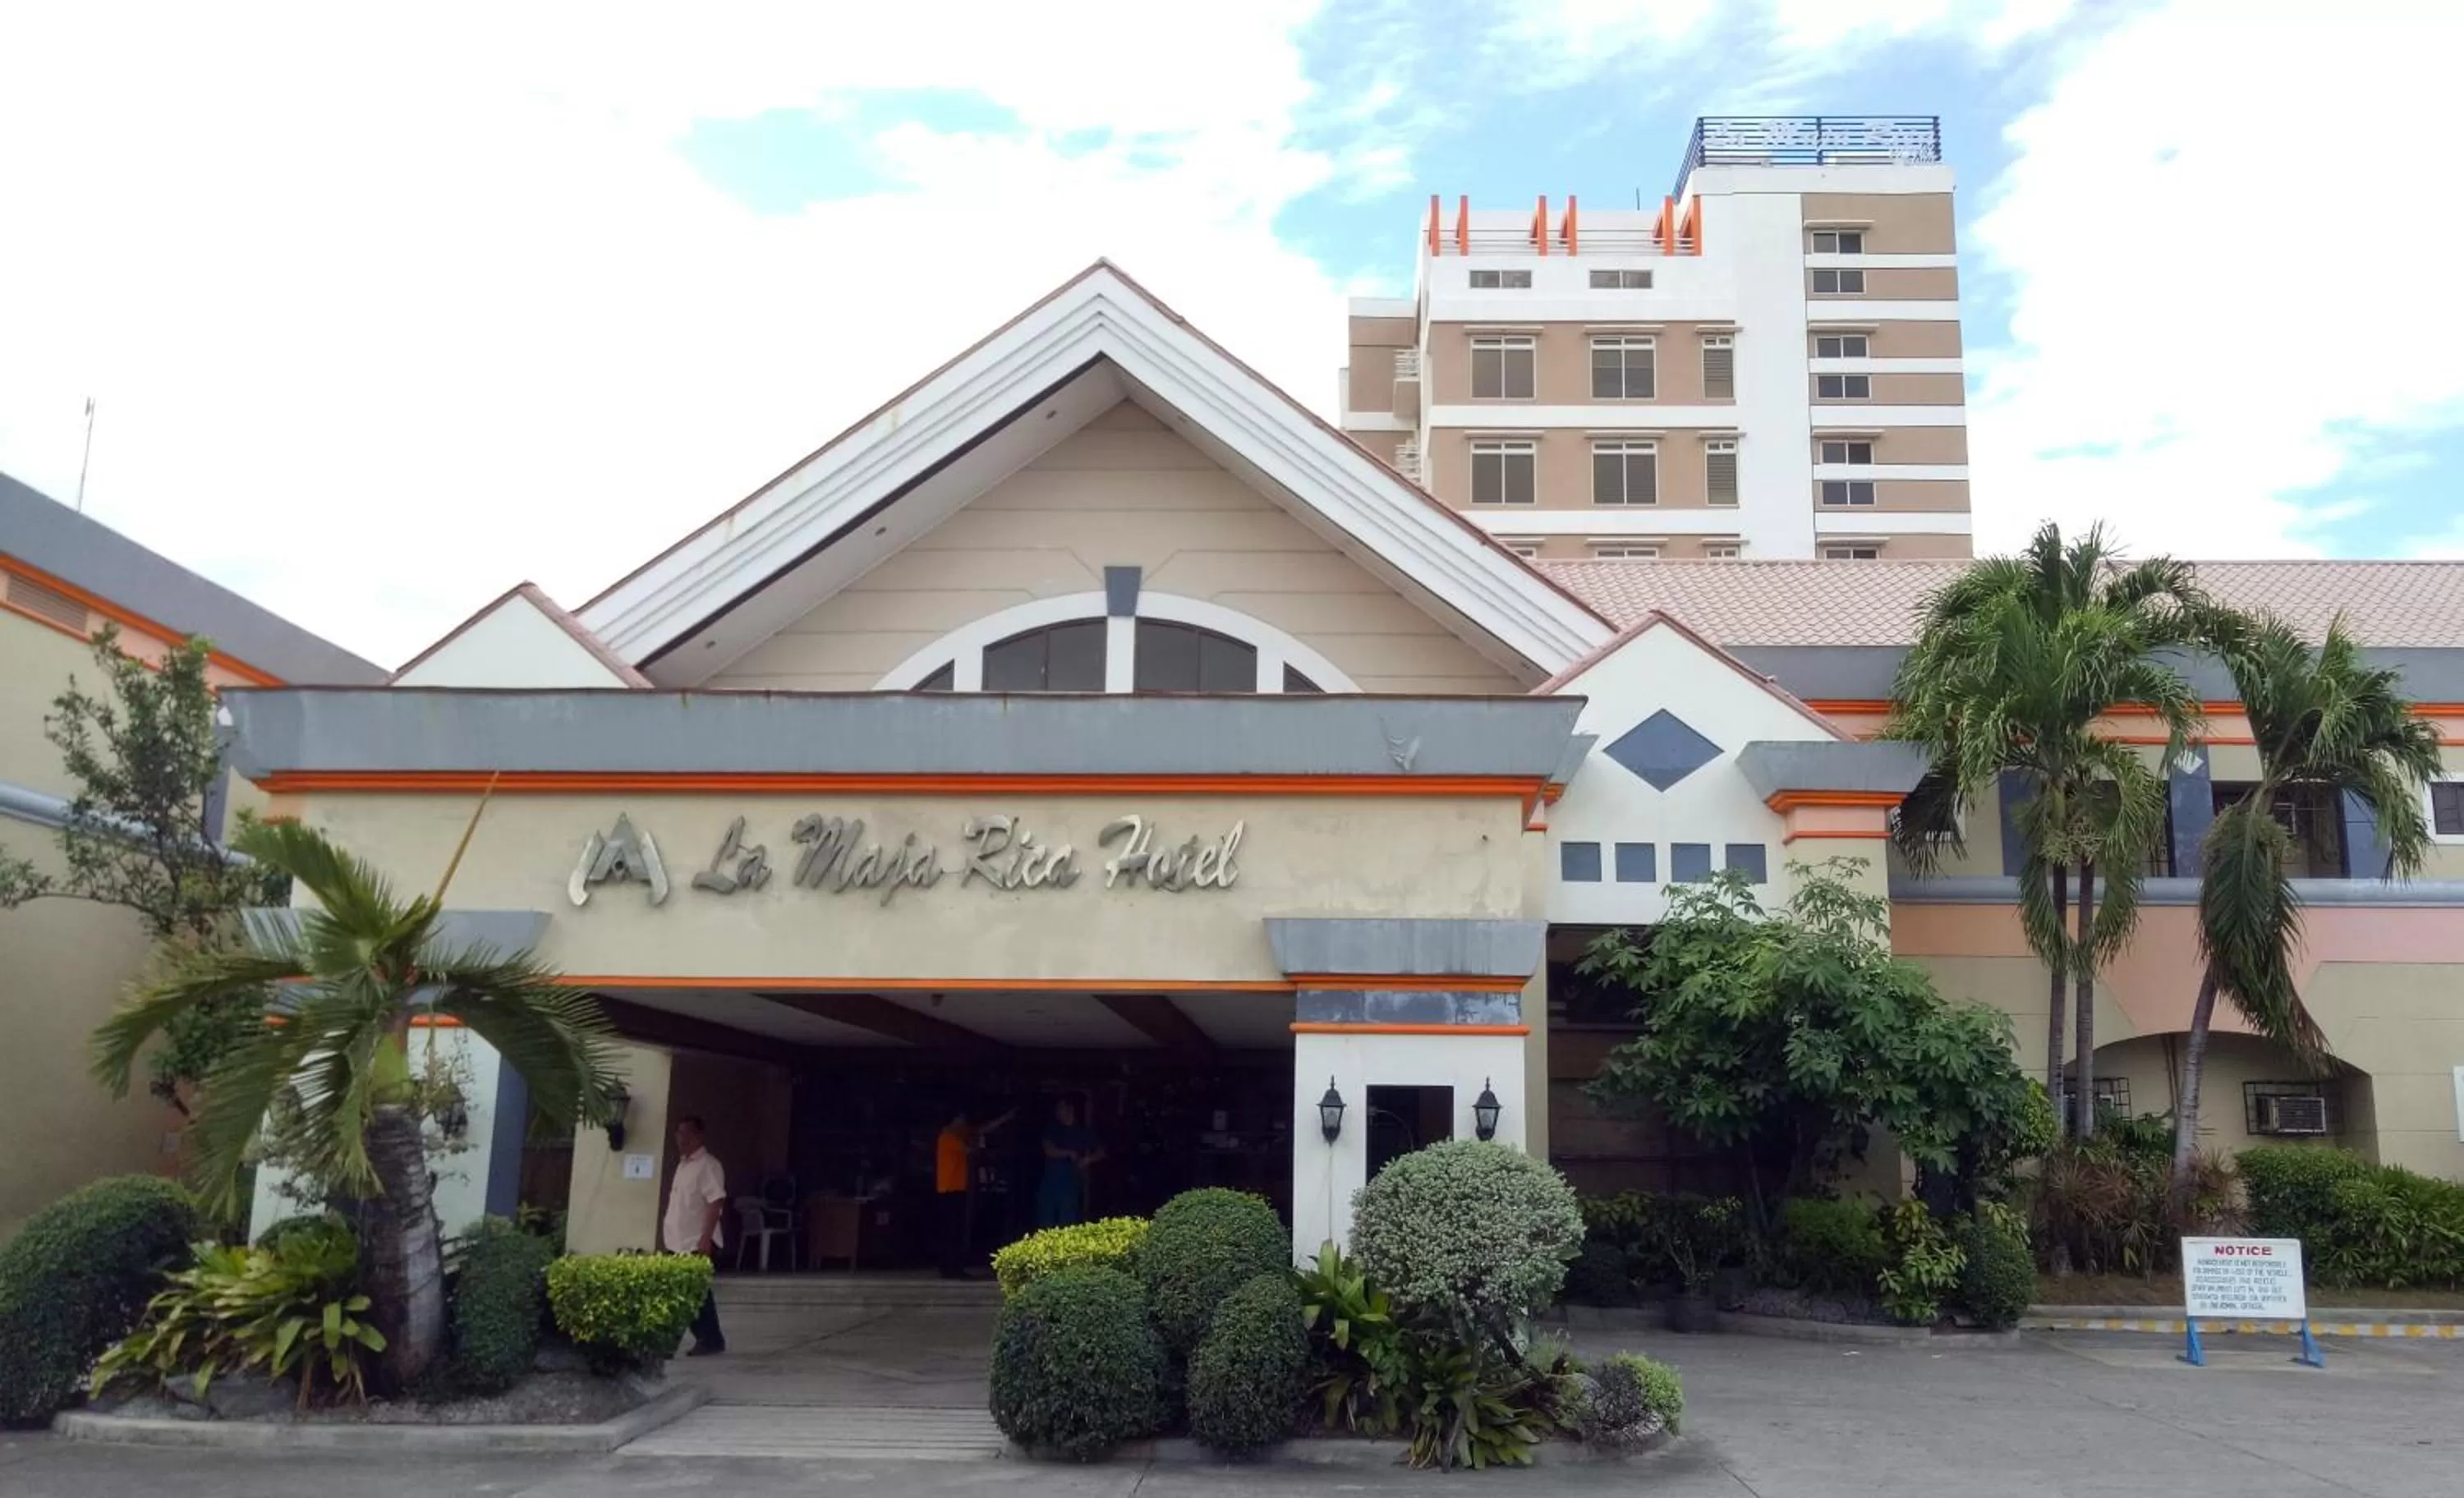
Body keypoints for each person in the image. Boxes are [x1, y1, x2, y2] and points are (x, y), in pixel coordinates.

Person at [663, 1115, 729, 1356]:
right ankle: (709, 1338)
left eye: (687, 1133)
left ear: (699, 1136)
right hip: (677, 1240)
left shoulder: (708, 1166)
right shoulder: (683, 1165)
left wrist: (705, 1238)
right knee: (690, 1293)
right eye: (678, 1134)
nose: (681, 1139)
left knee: (692, 1293)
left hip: (695, 1241)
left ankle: (706, 1339)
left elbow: (715, 1201)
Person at [934, 1101, 1015, 1279]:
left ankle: (952, 1266)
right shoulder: (948, 1137)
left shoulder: (957, 1135)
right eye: (962, 1120)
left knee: (955, 1229)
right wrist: (981, 1145)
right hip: (949, 1189)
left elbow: (981, 1130)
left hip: (956, 1188)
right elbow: (970, 1150)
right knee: (951, 1230)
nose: (964, 1124)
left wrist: (1004, 1119)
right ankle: (950, 1267)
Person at [1036, 1097, 1099, 1229]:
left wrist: (1088, 1159)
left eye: (1061, 1108)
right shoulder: (1052, 1129)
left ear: (1070, 1109)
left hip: (1069, 1185)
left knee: (1067, 1225)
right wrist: (1069, 1153)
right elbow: (1049, 1150)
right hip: (1049, 1184)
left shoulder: (1082, 1132)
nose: (1057, 1112)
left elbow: (1102, 1151)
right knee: (1045, 1225)